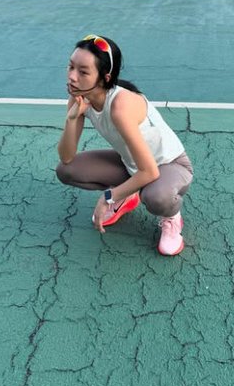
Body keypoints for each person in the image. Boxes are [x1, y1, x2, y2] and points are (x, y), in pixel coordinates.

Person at [56, 35, 193, 256]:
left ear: (105, 78)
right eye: (71, 67)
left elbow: (150, 171)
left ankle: (172, 217)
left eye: (83, 72)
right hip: (132, 164)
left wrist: (108, 197)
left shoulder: (120, 105)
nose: (72, 76)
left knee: (156, 198)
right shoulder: (79, 97)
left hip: (169, 165)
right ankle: (128, 195)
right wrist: (72, 119)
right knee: (66, 171)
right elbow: (66, 157)